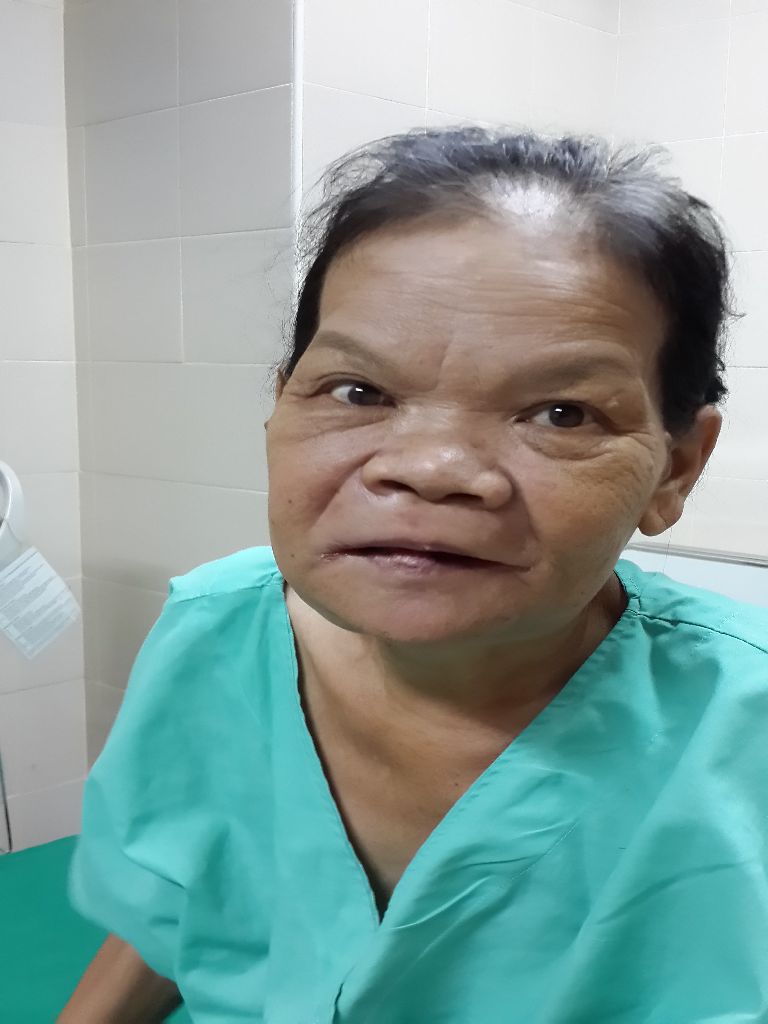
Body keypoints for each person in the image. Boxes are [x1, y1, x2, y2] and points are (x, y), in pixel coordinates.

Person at [60, 128, 768, 1023]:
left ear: (675, 468)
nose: (430, 469)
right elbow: (185, 899)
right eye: (358, 391)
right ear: (281, 402)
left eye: (562, 412)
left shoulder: (744, 733)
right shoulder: (215, 631)